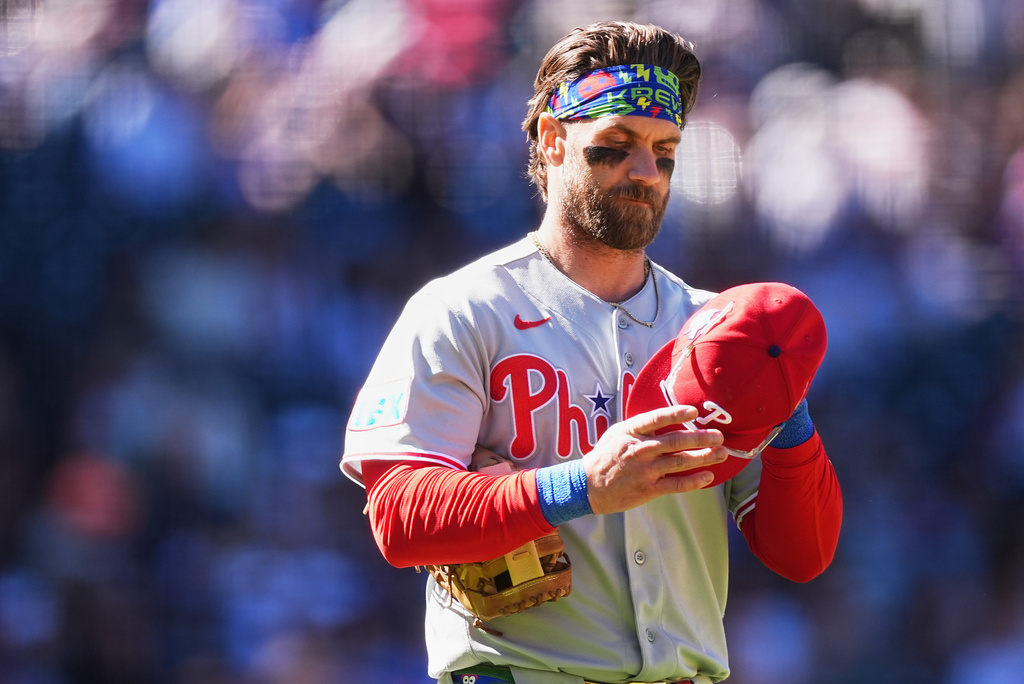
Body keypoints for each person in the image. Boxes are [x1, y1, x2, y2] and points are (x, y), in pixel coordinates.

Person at [341, 20, 842, 684]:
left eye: (664, 151)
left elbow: (802, 554)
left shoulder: (717, 327)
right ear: (552, 140)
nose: (646, 172)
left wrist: (787, 405)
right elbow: (401, 515)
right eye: (616, 146)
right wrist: (581, 488)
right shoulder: (465, 308)